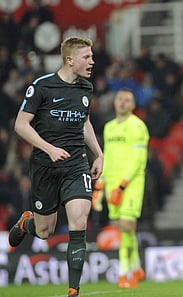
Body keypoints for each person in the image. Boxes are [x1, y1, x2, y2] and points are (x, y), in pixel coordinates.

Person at [8, 36, 104, 297]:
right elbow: (20, 125)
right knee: (44, 230)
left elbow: (84, 122)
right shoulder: (42, 86)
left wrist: (98, 153)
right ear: (70, 60)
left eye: (92, 56)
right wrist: (48, 148)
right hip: (45, 166)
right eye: (87, 57)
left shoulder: (86, 88)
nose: (92, 61)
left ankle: (74, 290)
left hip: (76, 164)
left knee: (79, 219)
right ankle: (28, 222)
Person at [91, 88, 149, 288]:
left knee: (126, 226)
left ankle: (125, 272)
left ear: (133, 105)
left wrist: (123, 185)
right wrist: (100, 186)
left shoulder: (138, 127)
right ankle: (137, 266)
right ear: (115, 103)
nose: (123, 102)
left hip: (131, 184)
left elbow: (139, 159)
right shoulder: (109, 128)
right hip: (112, 183)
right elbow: (106, 157)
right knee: (121, 227)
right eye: (120, 99)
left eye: (128, 100)